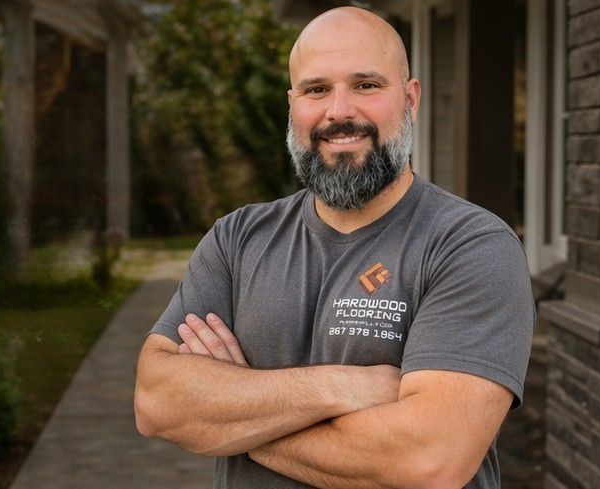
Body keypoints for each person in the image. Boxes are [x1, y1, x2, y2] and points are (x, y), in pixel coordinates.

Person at [135, 6, 535, 489]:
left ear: (410, 99)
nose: (339, 111)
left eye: (366, 85)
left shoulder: (469, 246)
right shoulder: (236, 238)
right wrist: (346, 387)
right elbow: (157, 403)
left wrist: (230, 419)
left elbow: (430, 459)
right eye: (316, 89)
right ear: (293, 105)